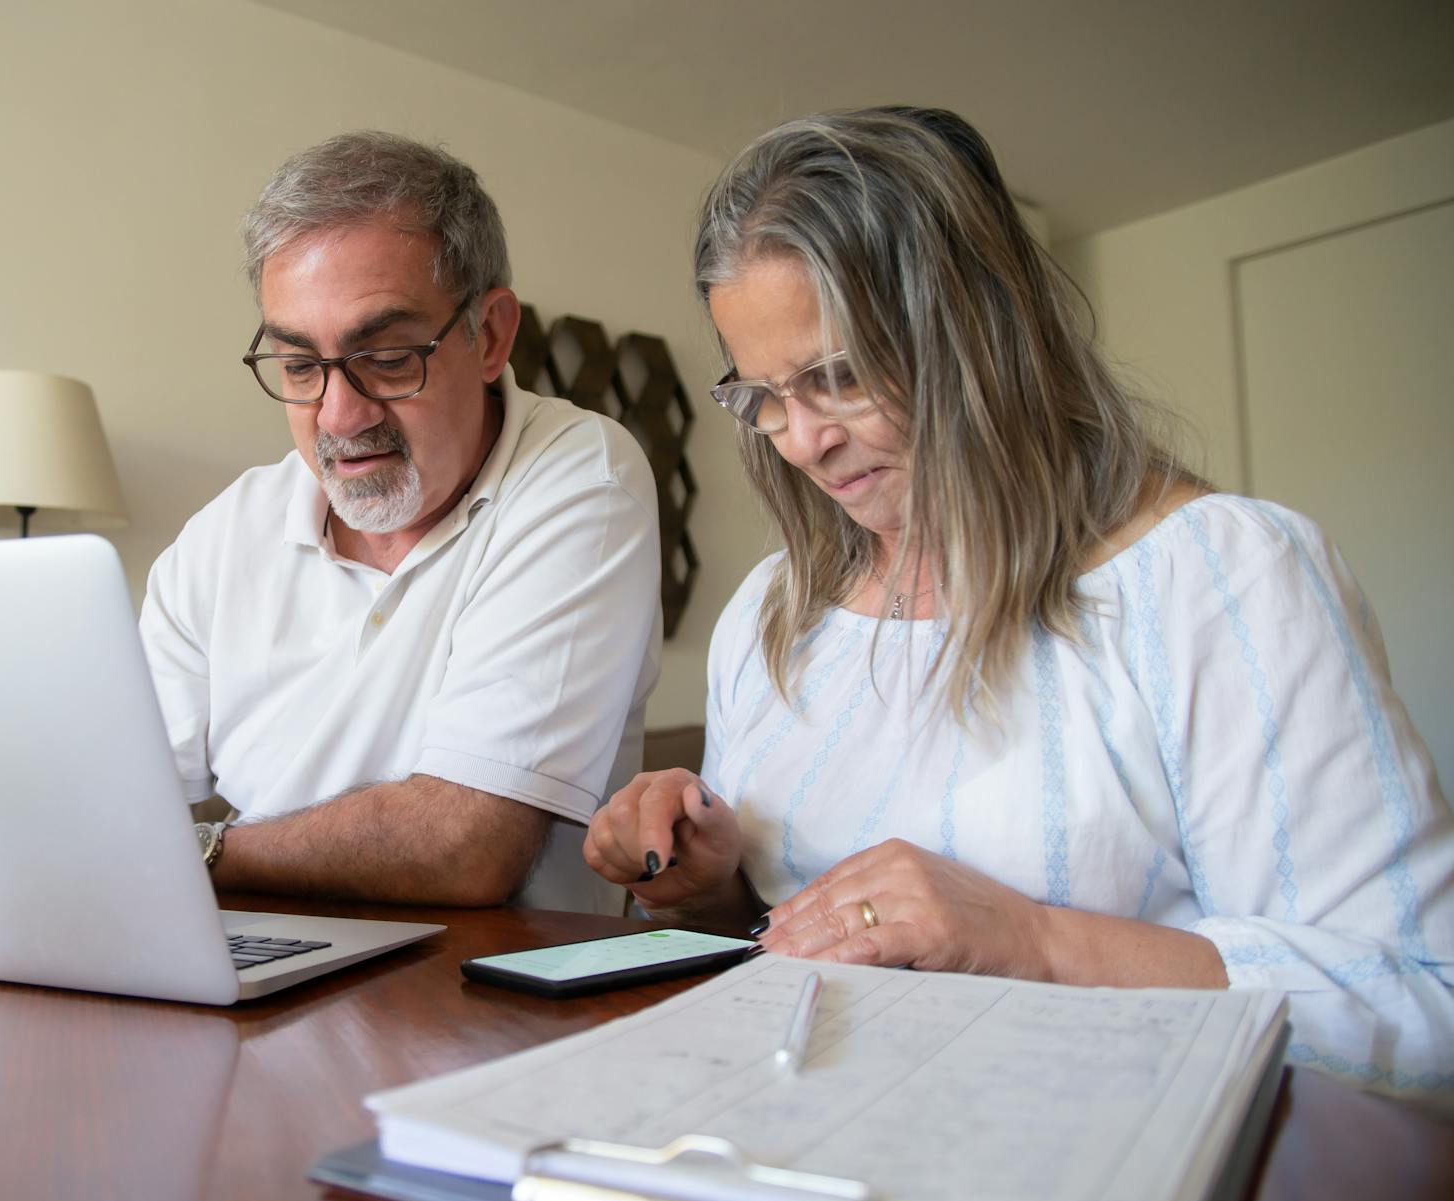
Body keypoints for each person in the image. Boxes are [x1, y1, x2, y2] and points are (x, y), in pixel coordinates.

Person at [585, 107, 1452, 1103]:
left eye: (838, 377)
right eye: (764, 395)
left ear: (979, 334)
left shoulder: (1224, 578)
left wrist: (1032, 938)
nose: (801, 441)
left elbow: (1425, 1007)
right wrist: (707, 882)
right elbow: (771, 944)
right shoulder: (777, 613)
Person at [141, 131, 661, 912]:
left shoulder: (582, 473)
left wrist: (202, 854)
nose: (339, 414)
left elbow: (467, 843)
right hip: (254, 974)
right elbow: (109, 801)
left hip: (487, 1006)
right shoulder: (223, 537)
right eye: (300, 366)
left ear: (489, 335)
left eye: (386, 357)